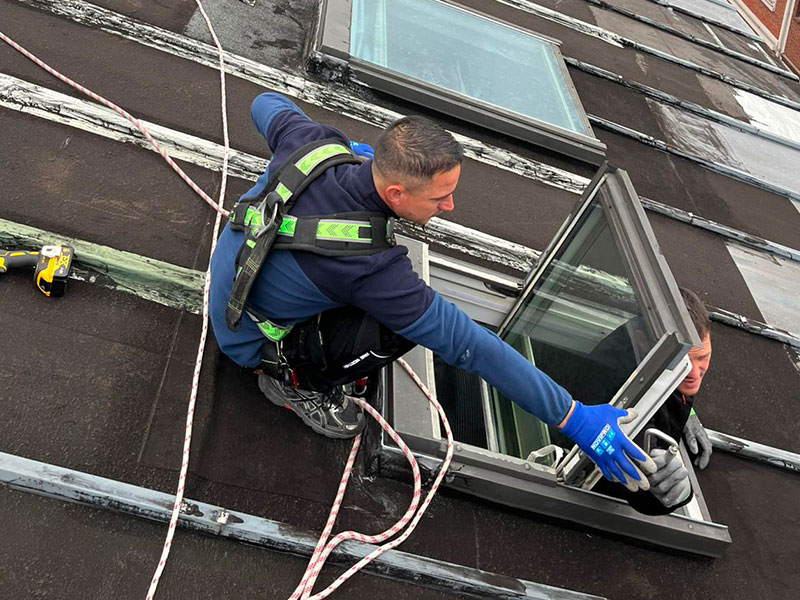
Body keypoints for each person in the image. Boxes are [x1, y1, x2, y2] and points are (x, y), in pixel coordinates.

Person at [209, 92, 656, 491]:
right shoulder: (370, 267)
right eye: (438, 198)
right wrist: (575, 419)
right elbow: (469, 345)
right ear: (397, 193)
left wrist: (347, 150)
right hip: (248, 338)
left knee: (374, 303)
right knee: (400, 329)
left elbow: (264, 102)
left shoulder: (313, 144)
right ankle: (291, 383)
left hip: (236, 276)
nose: (449, 206)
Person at [597, 288, 714, 514]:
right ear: (644, 342)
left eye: (704, 358)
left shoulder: (655, 342)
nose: (695, 372)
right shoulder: (628, 399)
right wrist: (680, 492)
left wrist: (688, 413)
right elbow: (645, 490)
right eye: (684, 361)